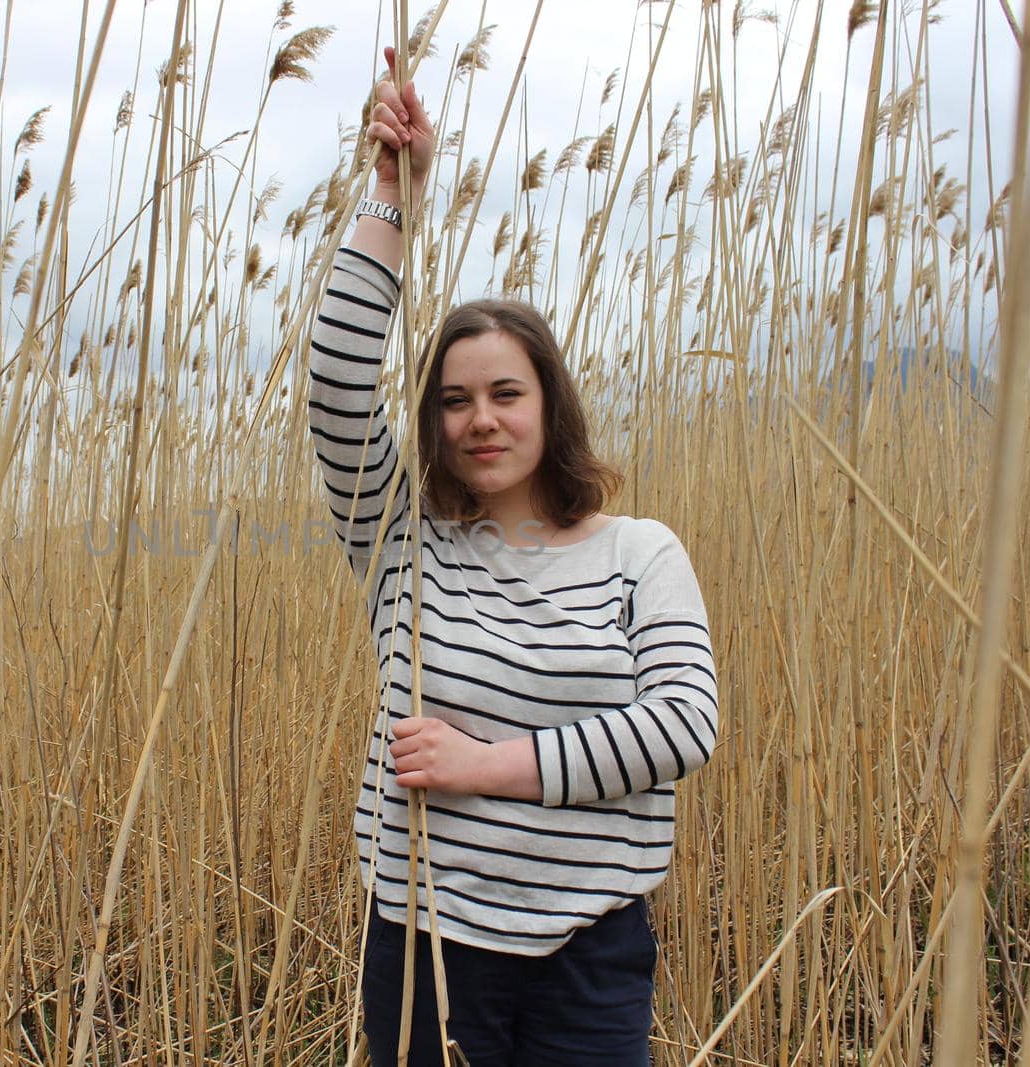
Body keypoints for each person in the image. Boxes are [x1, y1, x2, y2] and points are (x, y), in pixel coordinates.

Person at [306, 48, 719, 1066]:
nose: (478, 418)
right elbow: (334, 382)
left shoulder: (637, 551)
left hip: (591, 950)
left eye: (504, 393)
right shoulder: (405, 544)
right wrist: (389, 195)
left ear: (550, 406)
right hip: (427, 947)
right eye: (453, 400)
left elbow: (682, 722)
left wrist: (484, 765)